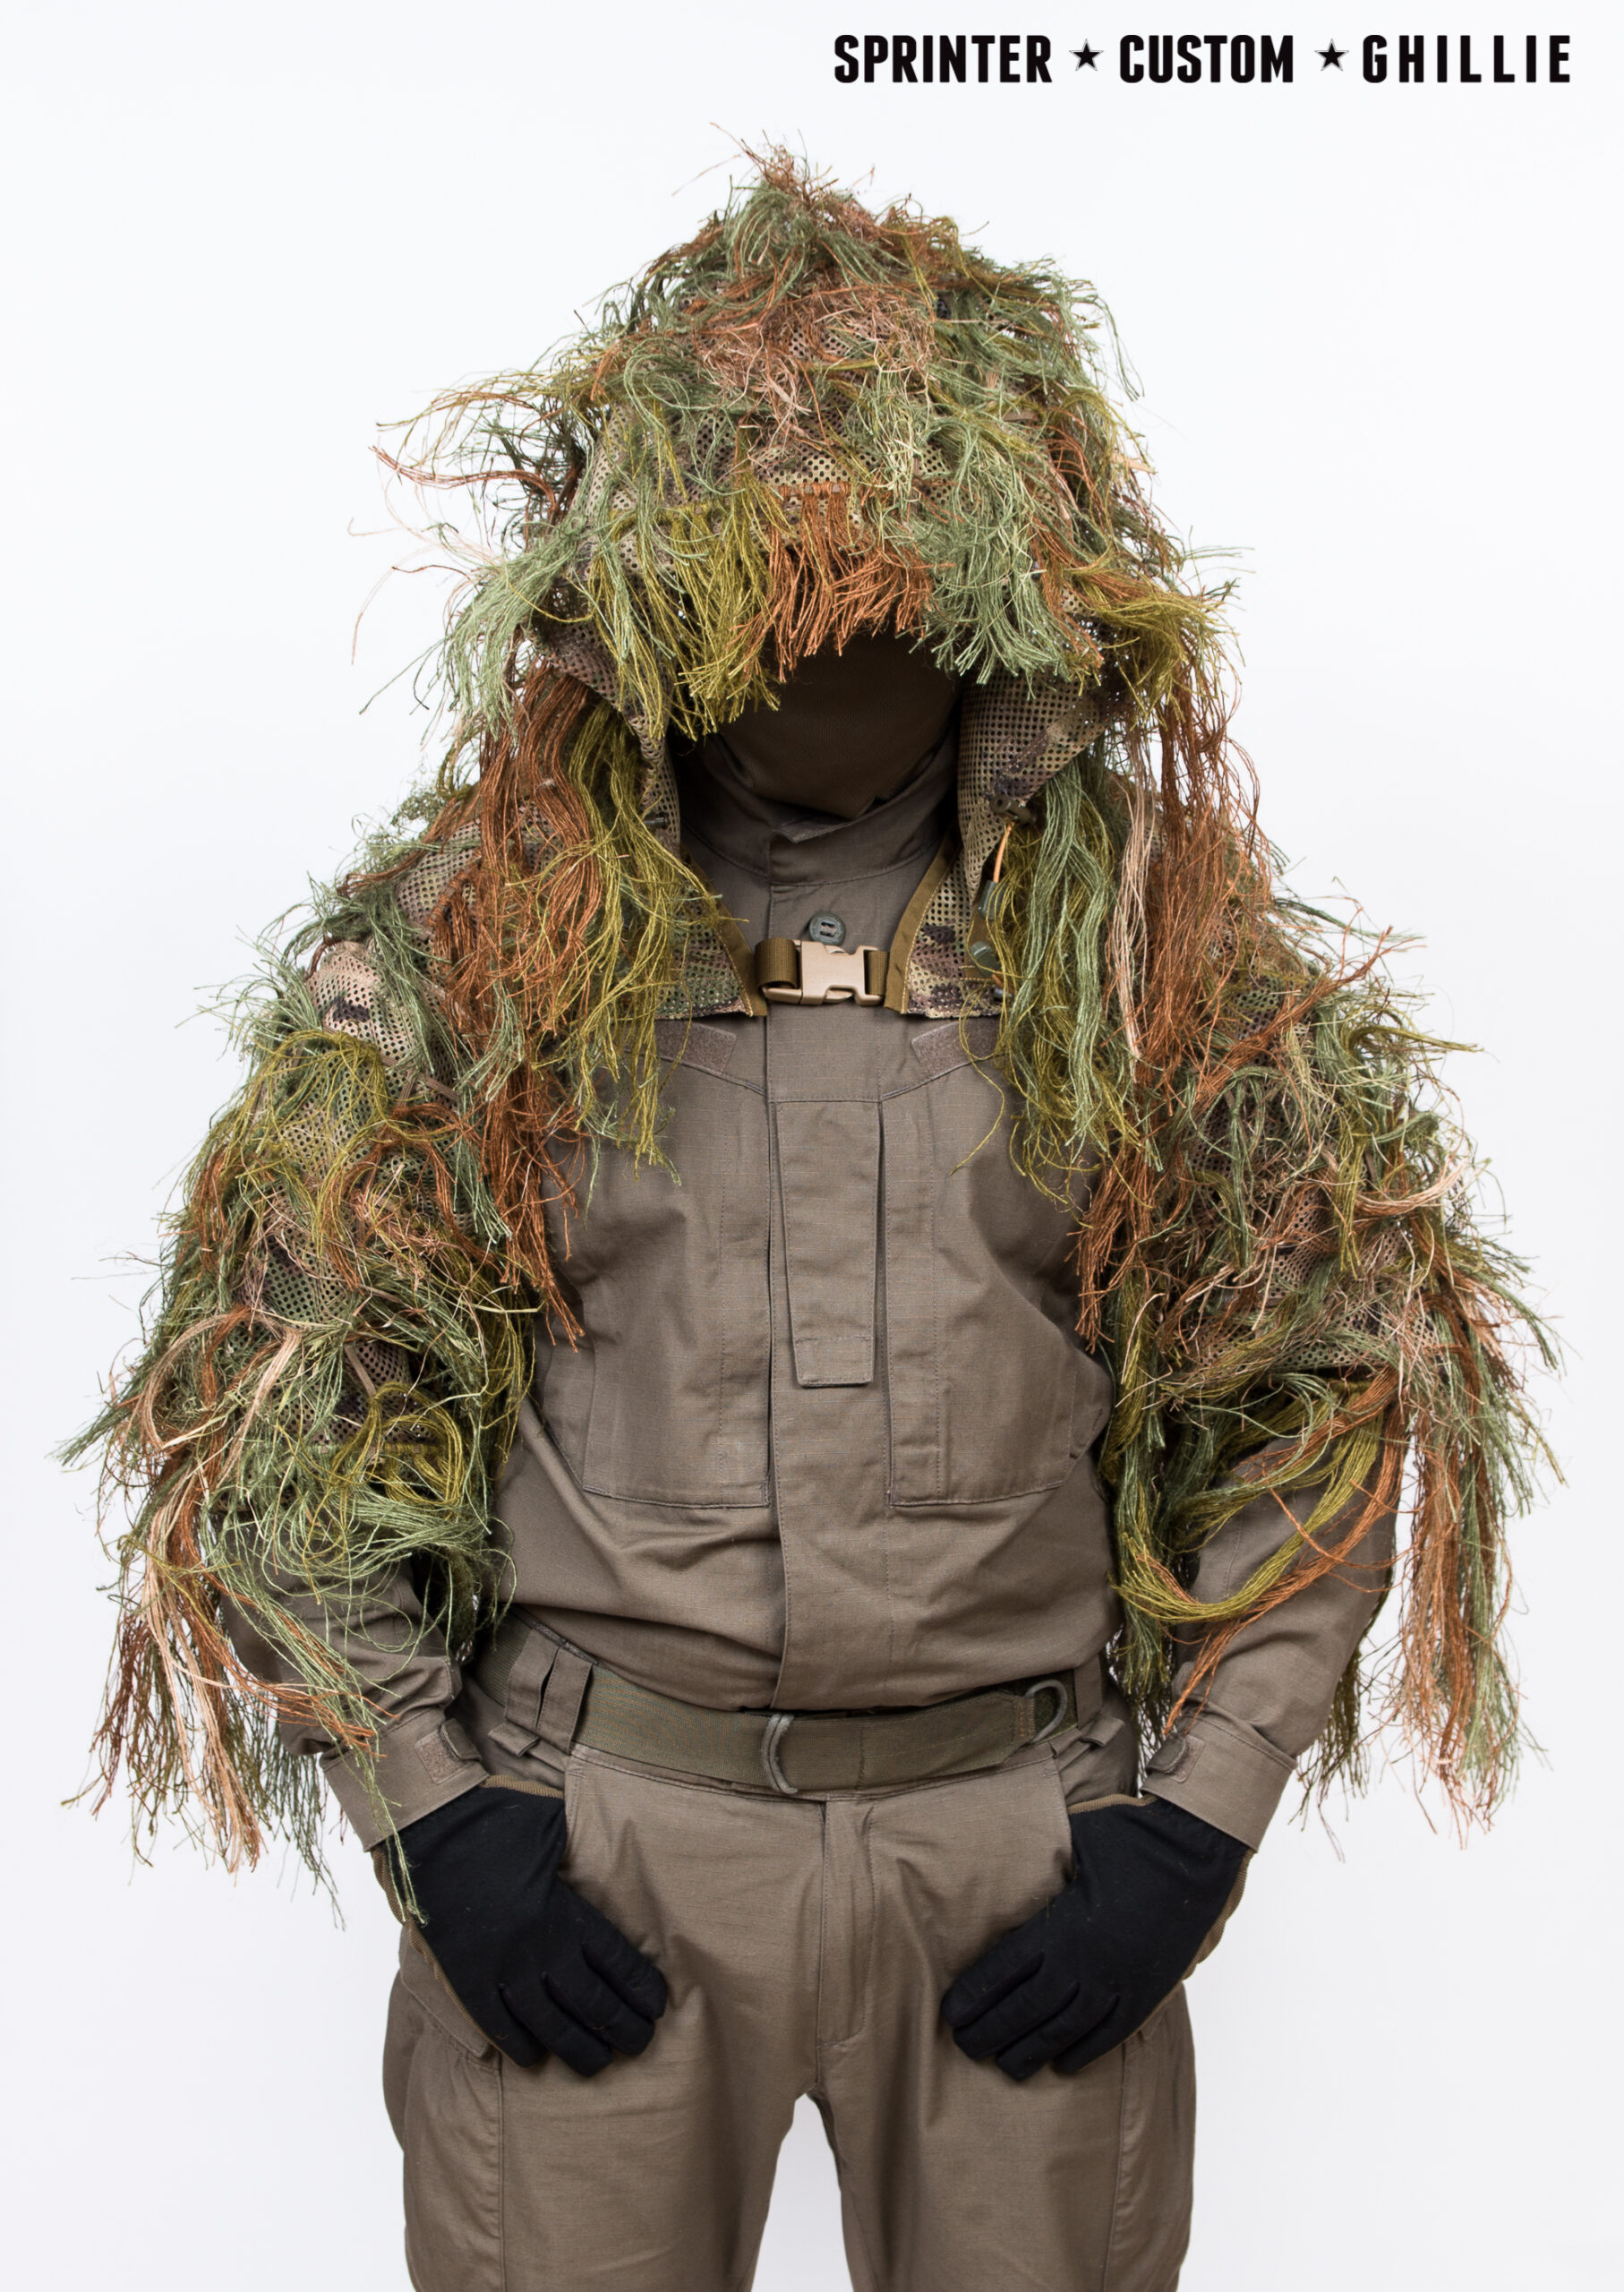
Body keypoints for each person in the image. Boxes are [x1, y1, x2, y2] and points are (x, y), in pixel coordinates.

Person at [77, 156, 1545, 2291]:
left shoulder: (1149, 947)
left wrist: (1185, 1831)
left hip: (1022, 1840)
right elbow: (281, 1397)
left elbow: (1318, 1393)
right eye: (758, 562)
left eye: (881, 564)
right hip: (598, 1836)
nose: (823, 631)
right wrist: (443, 1816)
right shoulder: (477, 940)